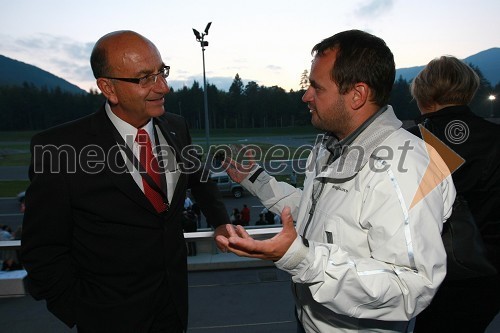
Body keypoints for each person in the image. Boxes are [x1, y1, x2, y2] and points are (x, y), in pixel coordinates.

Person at [216, 29, 456, 333]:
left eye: (316, 87)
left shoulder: (403, 167)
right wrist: (257, 180)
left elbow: (410, 287)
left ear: (357, 95)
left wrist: (301, 260)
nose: (306, 95)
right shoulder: (333, 145)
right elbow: (316, 213)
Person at [20, 30, 231, 333]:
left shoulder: (176, 126)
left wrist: (219, 220)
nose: (164, 87)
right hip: (107, 317)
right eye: (145, 78)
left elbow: (198, 177)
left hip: (173, 306)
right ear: (108, 88)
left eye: (162, 72)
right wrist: (80, 309)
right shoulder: (59, 149)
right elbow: (41, 248)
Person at [408, 56, 500, 333]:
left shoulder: (411, 143)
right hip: (491, 272)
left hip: (437, 272)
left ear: (423, 95)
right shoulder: (495, 137)